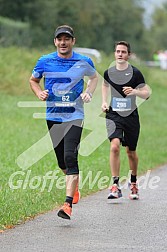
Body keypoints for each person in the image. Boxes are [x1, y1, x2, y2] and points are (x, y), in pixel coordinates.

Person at [29, 25, 98, 219]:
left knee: (70, 156)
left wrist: (88, 92)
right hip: (53, 116)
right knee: (61, 161)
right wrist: (39, 92)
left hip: (75, 116)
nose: (63, 42)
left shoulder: (84, 61)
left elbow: (93, 78)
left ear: (73, 41)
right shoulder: (45, 61)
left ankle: (67, 205)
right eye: (59, 39)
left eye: (67, 39)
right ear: (55, 42)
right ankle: (74, 188)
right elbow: (33, 80)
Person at [101, 41, 150, 201]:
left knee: (131, 152)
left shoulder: (135, 73)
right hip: (114, 115)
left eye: (123, 51)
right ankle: (115, 184)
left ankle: (133, 182)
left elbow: (147, 93)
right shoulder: (109, 72)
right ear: (115, 54)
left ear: (128, 55)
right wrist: (103, 101)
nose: (120, 54)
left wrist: (135, 91)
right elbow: (105, 85)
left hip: (131, 117)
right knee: (114, 147)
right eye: (117, 51)